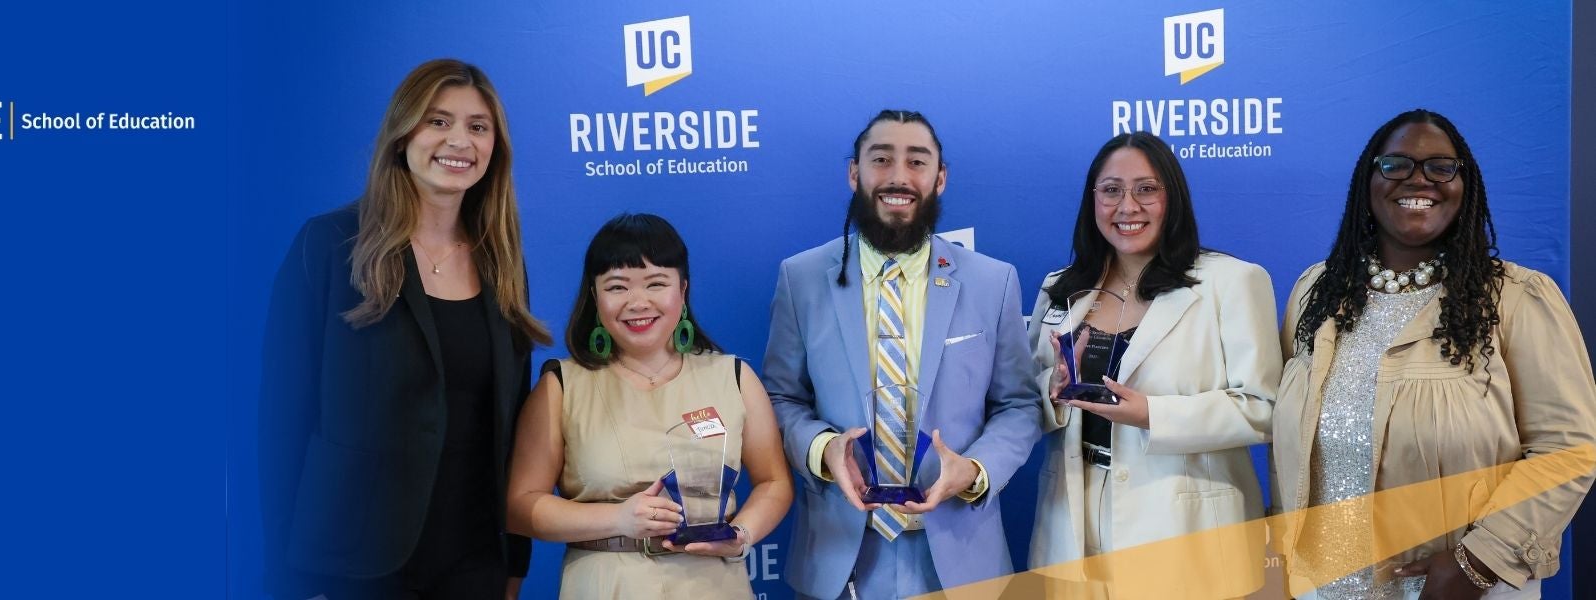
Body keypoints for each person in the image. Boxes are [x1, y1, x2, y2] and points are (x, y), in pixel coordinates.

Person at [1272, 109, 1596, 600]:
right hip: (1321, 586)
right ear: (1369, 180)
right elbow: (1291, 439)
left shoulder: (1514, 297)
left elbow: (1567, 448)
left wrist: (1480, 561)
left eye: (1441, 167)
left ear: (1465, 186)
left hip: (1457, 589)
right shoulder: (1316, 291)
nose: (1418, 179)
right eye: (1396, 165)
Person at [258, 58, 547, 600]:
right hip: (352, 565)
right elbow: (283, 422)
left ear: (494, 149)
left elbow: (510, 427)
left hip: (474, 562)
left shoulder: (502, 263)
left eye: (477, 127)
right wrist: (287, 581)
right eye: (437, 121)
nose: (458, 140)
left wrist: (515, 561)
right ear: (400, 134)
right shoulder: (329, 245)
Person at [762, 109, 1042, 599]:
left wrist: (975, 472)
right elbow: (780, 398)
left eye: (917, 162)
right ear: (855, 173)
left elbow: (1019, 405)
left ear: (940, 178)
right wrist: (822, 449)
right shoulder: (800, 278)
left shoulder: (992, 282)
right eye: (881, 160)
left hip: (961, 559)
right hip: (839, 559)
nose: (898, 177)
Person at [1024, 131, 1277, 599]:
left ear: (1172, 197)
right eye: (1111, 190)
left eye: (1146, 189)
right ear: (1092, 199)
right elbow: (1024, 401)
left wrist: (1152, 415)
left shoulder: (1231, 281)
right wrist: (1053, 391)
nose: (1128, 206)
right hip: (1073, 523)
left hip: (1184, 525)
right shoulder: (1060, 288)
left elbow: (1263, 407)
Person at [506, 213, 792, 599]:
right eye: (617, 287)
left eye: (657, 284)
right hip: (606, 585)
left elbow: (774, 482)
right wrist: (619, 518)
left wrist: (742, 535)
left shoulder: (734, 377)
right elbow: (520, 507)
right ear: (594, 296)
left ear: (683, 289)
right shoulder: (561, 385)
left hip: (714, 585)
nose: (638, 302)